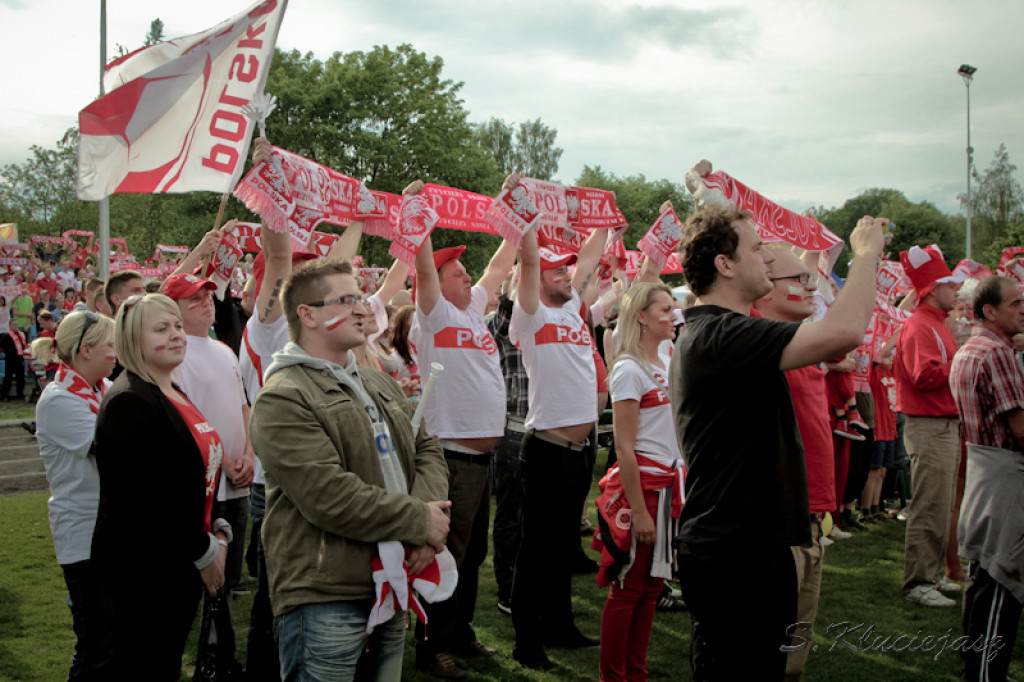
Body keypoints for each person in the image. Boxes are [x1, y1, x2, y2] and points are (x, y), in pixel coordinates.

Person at [671, 194, 883, 680]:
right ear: (725, 264)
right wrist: (866, 253)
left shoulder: (728, 331)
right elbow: (846, 329)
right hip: (735, 555)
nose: (768, 257)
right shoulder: (720, 335)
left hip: (747, 548)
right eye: (757, 248)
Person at [249, 258, 452, 681]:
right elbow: (329, 496)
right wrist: (419, 520)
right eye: (346, 299)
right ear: (307, 314)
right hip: (328, 593)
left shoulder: (376, 381)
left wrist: (423, 518)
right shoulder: (283, 397)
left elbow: (426, 446)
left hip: (392, 578)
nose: (363, 309)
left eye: (360, 297)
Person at [91, 294, 231, 681]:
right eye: (161, 328)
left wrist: (218, 532)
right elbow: (148, 503)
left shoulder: (170, 390)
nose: (176, 335)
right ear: (133, 341)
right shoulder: (129, 401)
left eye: (177, 326)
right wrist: (205, 552)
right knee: (144, 665)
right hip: (146, 571)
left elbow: (198, 471)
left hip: (181, 559)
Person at [410, 177, 515, 678]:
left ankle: (460, 631)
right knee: (445, 553)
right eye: (456, 271)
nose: (468, 276)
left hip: (479, 458)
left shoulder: (473, 309)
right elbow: (422, 268)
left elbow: (500, 264)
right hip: (449, 456)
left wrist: (516, 210)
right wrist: (419, 212)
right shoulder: (431, 316)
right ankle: (431, 648)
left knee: (471, 554)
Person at [509, 222, 609, 670]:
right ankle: (527, 645)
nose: (566, 277)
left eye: (566, 272)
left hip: (578, 451)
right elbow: (530, 261)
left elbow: (587, 259)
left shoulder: (572, 311)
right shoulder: (530, 316)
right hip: (547, 449)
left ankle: (561, 626)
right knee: (535, 552)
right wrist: (525, 221)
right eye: (556, 273)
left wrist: (605, 222)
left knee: (563, 545)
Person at [751, 245, 837, 681]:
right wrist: (869, 255)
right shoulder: (758, 339)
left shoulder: (796, 338)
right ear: (763, 287)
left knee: (793, 659)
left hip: (811, 512)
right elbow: (850, 329)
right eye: (799, 280)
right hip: (778, 517)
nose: (811, 287)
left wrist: (812, 252)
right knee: (766, 654)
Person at [163, 272, 253, 681]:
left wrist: (249, 452)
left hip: (237, 481)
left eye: (207, 297)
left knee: (229, 578)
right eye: (193, 300)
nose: (205, 304)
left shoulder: (223, 350)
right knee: (199, 576)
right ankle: (196, 657)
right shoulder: (175, 354)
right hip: (203, 486)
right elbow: (187, 417)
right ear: (174, 309)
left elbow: (243, 407)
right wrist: (222, 459)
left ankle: (217, 654)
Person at [596, 282, 684, 682]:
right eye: (664, 309)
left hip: (668, 488)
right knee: (629, 589)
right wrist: (640, 511)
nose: (674, 315)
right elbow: (624, 447)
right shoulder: (629, 368)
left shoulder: (666, 359)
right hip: (644, 491)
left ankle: (637, 672)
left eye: (674, 307)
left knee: (651, 590)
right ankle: (614, 676)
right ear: (642, 317)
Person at [34, 310, 117, 680]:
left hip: (108, 531)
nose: (116, 353)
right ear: (85, 350)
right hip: (84, 537)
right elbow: (115, 448)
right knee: (95, 651)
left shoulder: (103, 389)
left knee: (113, 647)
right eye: (110, 345)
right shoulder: (58, 400)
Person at [950, 276, 1024, 682]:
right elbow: (1021, 428)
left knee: (984, 577)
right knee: (1001, 580)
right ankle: (985, 673)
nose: (1022, 310)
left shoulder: (973, 347)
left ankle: (979, 668)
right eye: (1015, 304)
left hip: (983, 467)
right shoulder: (996, 352)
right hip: (1003, 473)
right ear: (989, 311)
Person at [894, 244, 965, 608]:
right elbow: (924, 376)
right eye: (950, 285)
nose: (956, 291)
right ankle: (919, 580)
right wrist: (965, 364)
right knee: (930, 504)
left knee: (941, 503)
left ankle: (932, 575)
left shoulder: (935, 323)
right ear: (934, 288)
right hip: (930, 425)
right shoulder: (922, 325)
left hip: (942, 425)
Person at [0, 318, 27, 400]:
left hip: (19, 358)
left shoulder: (21, 334)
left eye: (17, 325)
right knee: (8, 378)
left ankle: (20, 394)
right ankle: (4, 395)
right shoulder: (6, 335)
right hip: (10, 359)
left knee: (20, 378)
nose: (16, 326)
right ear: (10, 326)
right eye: (14, 325)